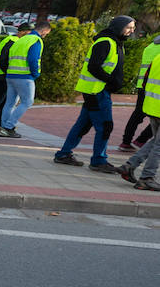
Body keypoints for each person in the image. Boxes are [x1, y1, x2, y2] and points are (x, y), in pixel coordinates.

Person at [53, 16, 134, 172]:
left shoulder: (115, 42)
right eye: (129, 27)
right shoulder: (105, 42)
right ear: (118, 27)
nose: (131, 31)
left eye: (133, 28)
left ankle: (63, 154)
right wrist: (111, 81)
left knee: (82, 125)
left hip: (97, 91)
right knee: (105, 126)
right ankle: (98, 161)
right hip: (97, 91)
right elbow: (94, 67)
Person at [0, 19, 50, 138]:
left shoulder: (21, 40)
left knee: (10, 103)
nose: (45, 36)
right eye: (46, 33)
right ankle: (9, 127)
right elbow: (33, 59)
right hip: (25, 76)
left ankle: (4, 127)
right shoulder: (36, 40)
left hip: (11, 74)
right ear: (43, 30)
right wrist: (35, 74)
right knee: (27, 102)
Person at [119, 53, 160, 190]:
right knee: (158, 146)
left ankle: (129, 165)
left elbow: (145, 81)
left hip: (152, 106)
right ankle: (147, 178)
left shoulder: (158, 57)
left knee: (156, 142)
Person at [118, 33, 159, 152]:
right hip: (156, 88)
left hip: (143, 85)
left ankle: (126, 142)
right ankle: (141, 141)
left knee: (138, 115)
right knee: (157, 116)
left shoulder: (150, 46)